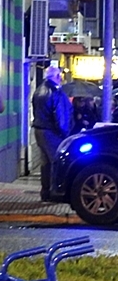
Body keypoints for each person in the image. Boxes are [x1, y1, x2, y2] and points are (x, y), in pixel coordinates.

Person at [31, 65, 73, 200]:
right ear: (55, 77)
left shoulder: (38, 91)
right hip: (51, 132)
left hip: (39, 130)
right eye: (59, 76)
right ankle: (55, 192)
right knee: (57, 162)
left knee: (45, 163)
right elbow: (60, 117)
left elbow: (35, 110)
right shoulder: (55, 92)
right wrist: (65, 134)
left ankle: (45, 191)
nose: (60, 78)